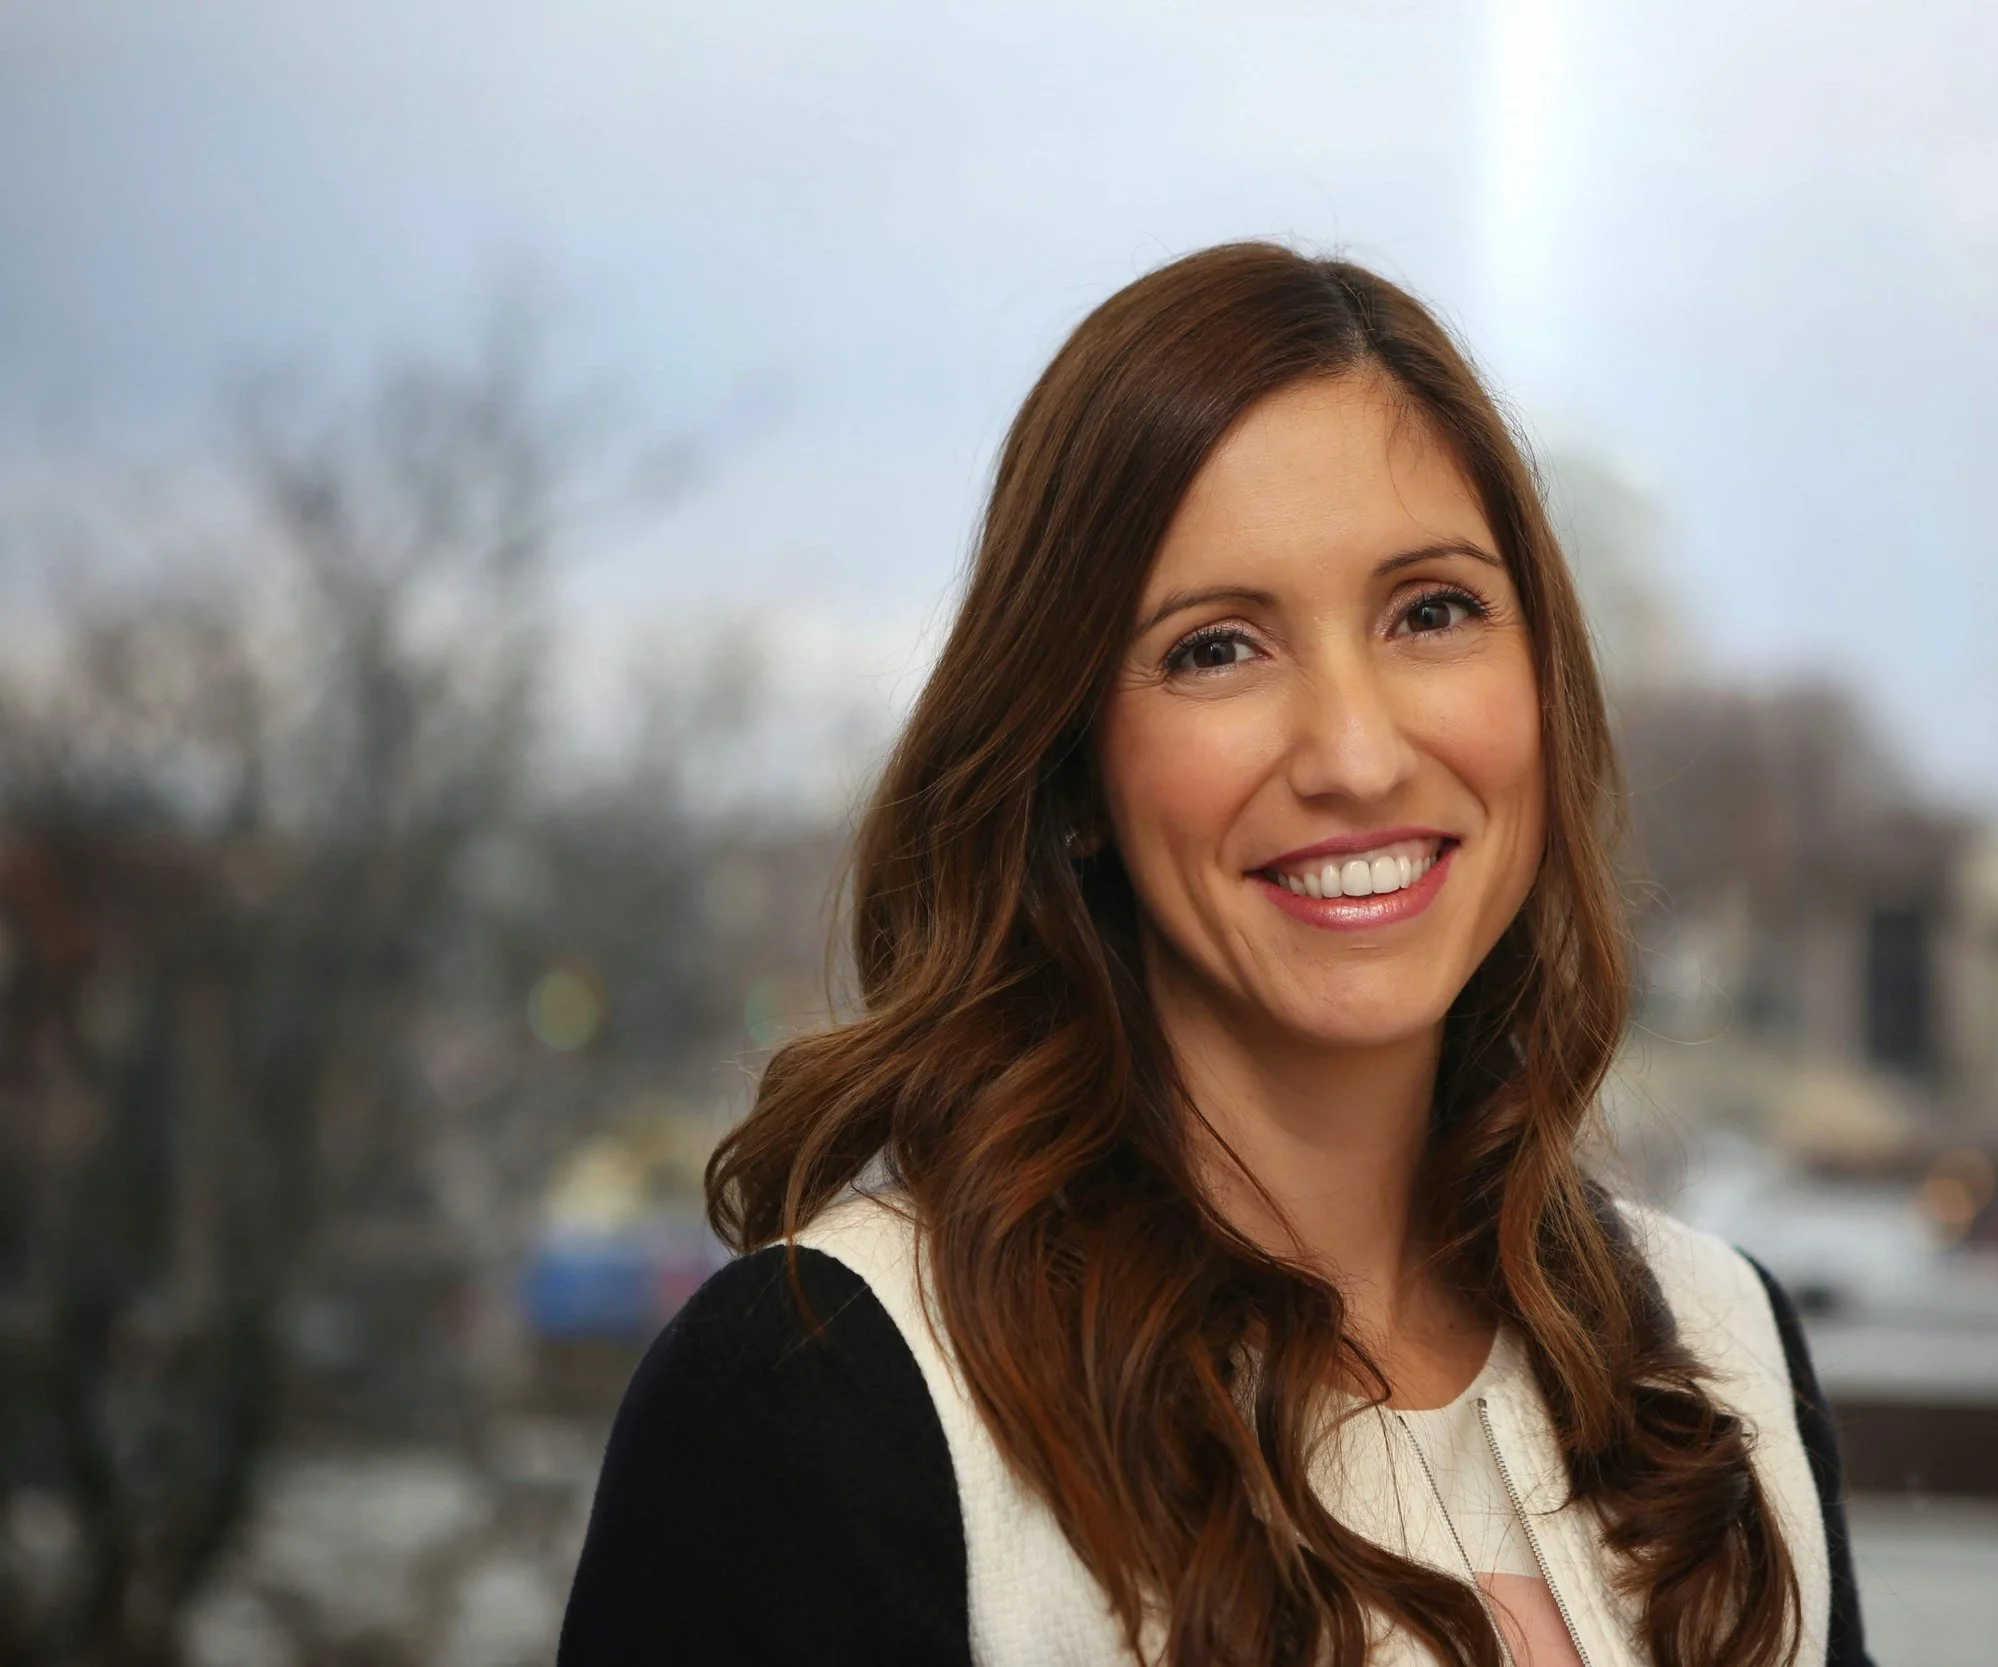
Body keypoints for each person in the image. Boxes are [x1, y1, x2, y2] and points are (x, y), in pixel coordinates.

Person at [557, 242, 1871, 1667]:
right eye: (1217, 649)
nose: (1359, 753)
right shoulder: (821, 1403)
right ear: (1069, 774)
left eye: (1431, 611)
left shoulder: (1723, 1352)